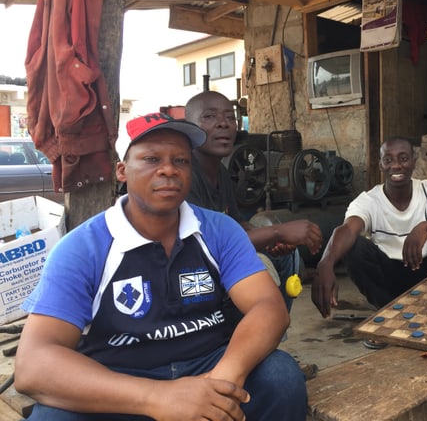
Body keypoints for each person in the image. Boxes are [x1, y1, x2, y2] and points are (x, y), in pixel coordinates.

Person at [15, 112, 307, 420]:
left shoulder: (219, 230)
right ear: (122, 171)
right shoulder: (82, 248)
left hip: (208, 366)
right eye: (152, 159)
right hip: (119, 380)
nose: (168, 170)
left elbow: (268, 307)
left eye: (180, 161)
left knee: (281, 378)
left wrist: (224, 378)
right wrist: (157, 398)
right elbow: (33, 365)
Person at [311, 136, 427, 347]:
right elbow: (348, 228)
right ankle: (387, 314)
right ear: (380, 165)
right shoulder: (369, 200)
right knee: (354, 247)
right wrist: (326, 263)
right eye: (389, 159)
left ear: (414, 161)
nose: (396, 165)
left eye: (403, 158)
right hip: (389, 277)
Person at [184, 91, 323, 315]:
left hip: (218, 256)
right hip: (193, 270)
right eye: (209, 117)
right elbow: (210, 244)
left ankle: (271, 334)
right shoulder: (185, 175)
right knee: (259, 267)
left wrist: (272, 239)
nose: (224, 124)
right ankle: (243, 335)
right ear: (189, 126)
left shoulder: (220, 171)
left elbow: (236, 221)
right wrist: (277, 231)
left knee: (287, 255)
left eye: (230, 117)